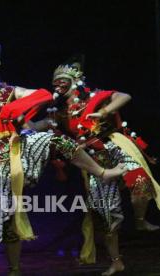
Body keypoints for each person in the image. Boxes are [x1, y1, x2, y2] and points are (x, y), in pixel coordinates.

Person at [0, 43, 127, 275]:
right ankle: (13, 268)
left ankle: (102, 172)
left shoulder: (8, 91)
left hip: (15, 149)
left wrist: (15, 108)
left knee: (57, 140)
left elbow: (44, 95)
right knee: (7, 216)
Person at [33, 55, 160, 275]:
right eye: (55, 82)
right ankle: (116, 261)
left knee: (140, 184)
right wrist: (21, 118)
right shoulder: (59, 112)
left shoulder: (95, 97)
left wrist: (102, 112)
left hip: (114, 148)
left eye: (63, 80)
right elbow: (38, 126)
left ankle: (140, 220)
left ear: (75, 81)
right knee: (108, 217)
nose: (58, 85)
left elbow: (124, 96)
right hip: (93, 161)